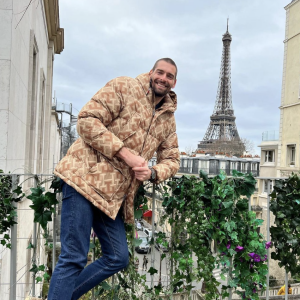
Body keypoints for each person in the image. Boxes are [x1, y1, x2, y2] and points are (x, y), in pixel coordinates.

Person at [48, 58, 180, 300]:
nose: (163, 78)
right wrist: (125, 154)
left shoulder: (167, 119)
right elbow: (87, 120)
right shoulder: (124, 87)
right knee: (74, 257)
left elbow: (172, 159)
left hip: (111, 196)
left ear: (173, 83)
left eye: (170, 76)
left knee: (118, 257)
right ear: (151, 72)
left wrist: (152, 173)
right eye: (160, 72)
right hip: (82, 178)